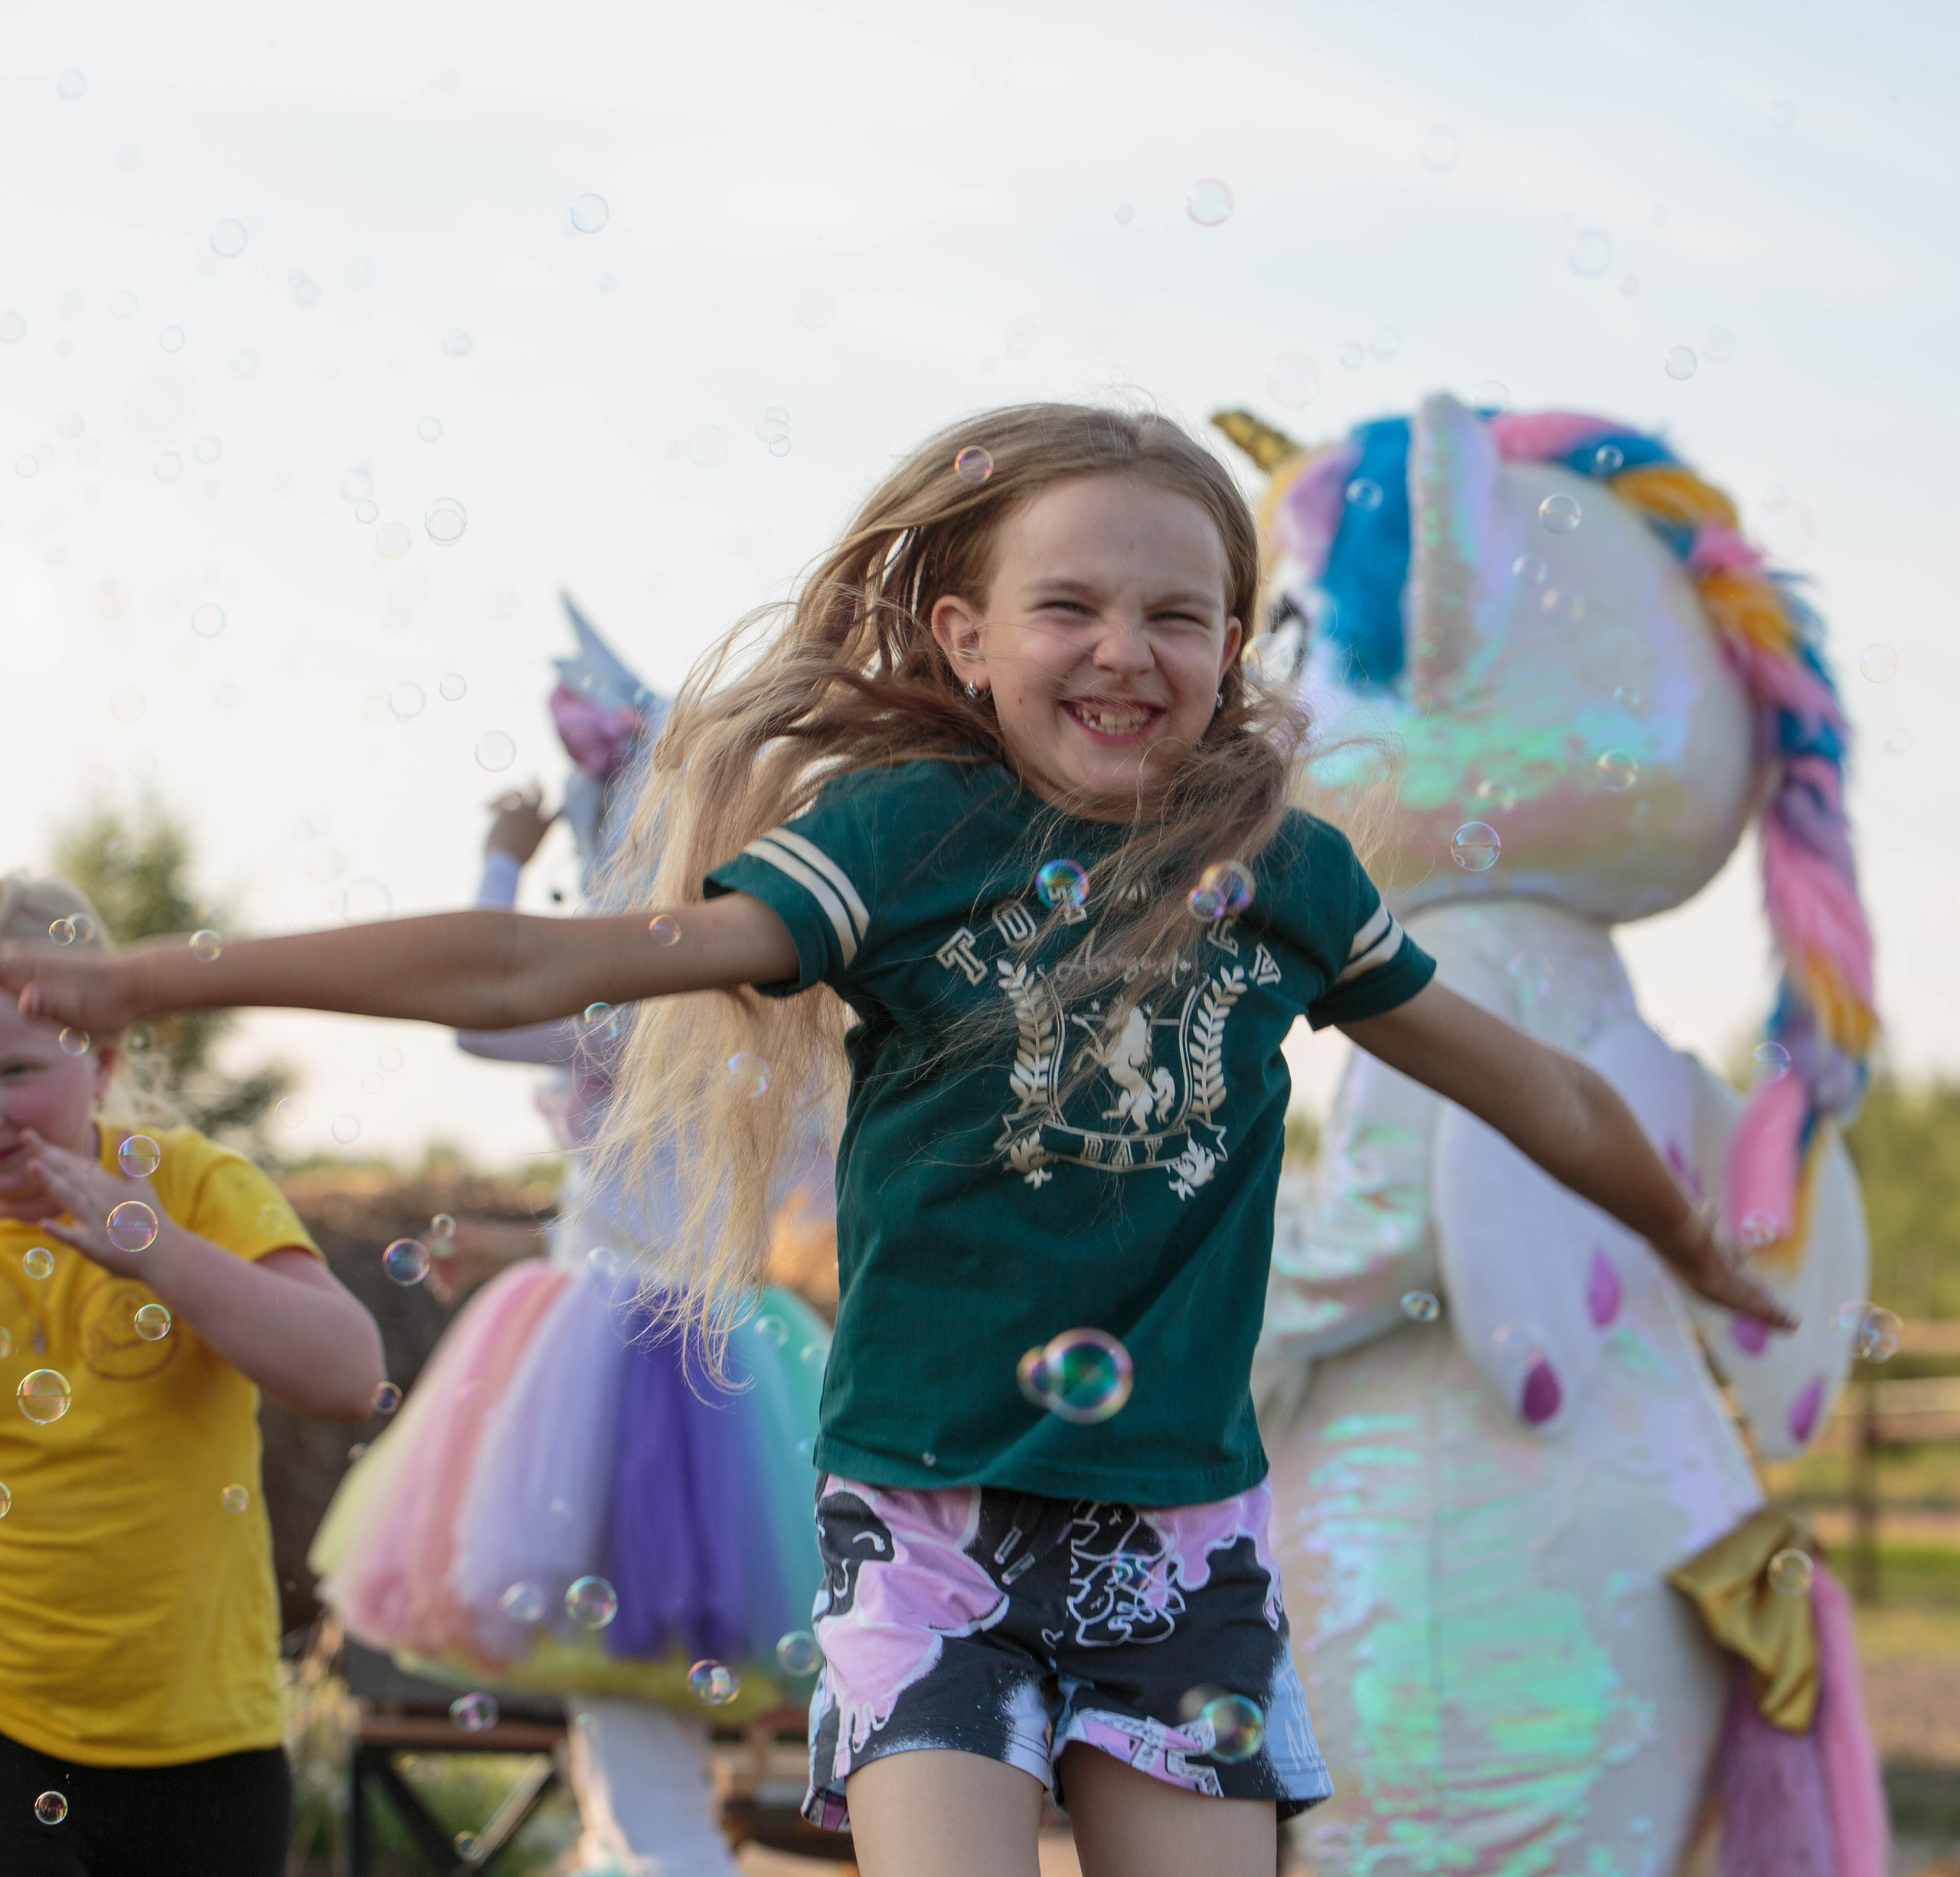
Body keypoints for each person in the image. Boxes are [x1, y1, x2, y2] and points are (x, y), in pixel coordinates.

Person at [2, 405, 1787, 1877]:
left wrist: (1692, 1242)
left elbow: (1534, 1091)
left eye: (1177, 614)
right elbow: (539, 958)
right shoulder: (903, 838)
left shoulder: (1292, 882)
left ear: (1230, 646)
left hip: (1174, 1531)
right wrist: (149, 971)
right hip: (924, 1518)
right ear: (962, 637)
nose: (1122, 648)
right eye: (1065, 604)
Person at [312, 603, 830, 1877]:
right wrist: (528, 1235)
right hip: (721, 1351)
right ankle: (630, 1856)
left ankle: (651, 1863)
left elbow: (484, 1023)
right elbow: (686, 1197)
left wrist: (500, 859)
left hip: (621, 1367)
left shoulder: (639, 992)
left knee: (628, 1719)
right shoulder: (792, 997)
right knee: (629, 1716)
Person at [0, 873, 384, 1877]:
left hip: (211, 1745)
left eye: (12, 1071)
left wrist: (154, 1249)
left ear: (104, 1062)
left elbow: (347, 1373)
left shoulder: (187, 1188)